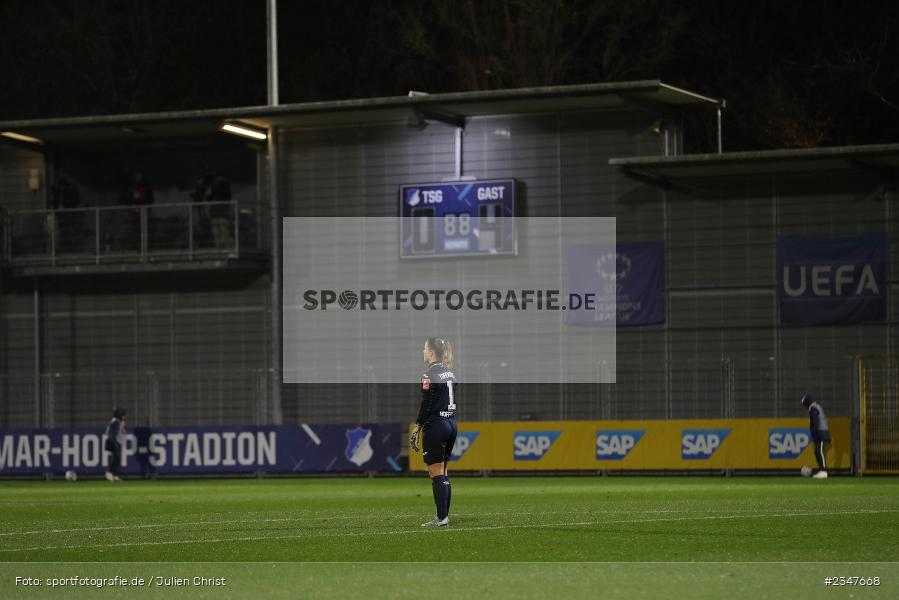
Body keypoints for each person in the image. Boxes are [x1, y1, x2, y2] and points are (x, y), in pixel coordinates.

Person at [409, 338, 458, 527]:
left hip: (436, 424)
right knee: (443, 471)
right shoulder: (450, 373)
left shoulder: (429, 374)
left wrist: (417, 427)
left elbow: (426, 404)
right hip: (451, 423)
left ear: (431, 352)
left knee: (435, 471)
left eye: (424, 349)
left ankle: (441, 518)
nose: (422, 351)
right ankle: (443, 516)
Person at [800, 394, 831, 479]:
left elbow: (815, 423)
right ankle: (821, 470)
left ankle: (824, 471)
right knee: (817, 452)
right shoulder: (817, 407)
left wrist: (814, 433)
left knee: (820, 452)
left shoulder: (813, 408)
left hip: (820, 433)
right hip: (822, 433)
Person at [104, 406, 126, 482]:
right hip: (114, 441)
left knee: (117, 458)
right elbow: (112, 433)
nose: (123, 416)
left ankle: (114, 474)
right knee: (116, 458)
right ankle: (109, 472)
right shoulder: (116, 421)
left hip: (116, 441)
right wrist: (115, 443)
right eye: (122, 414)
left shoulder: (117, 421)